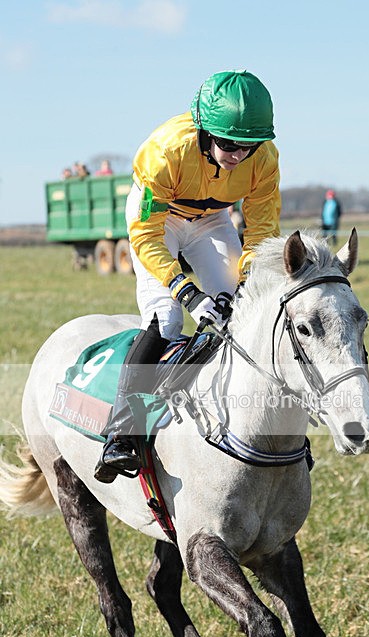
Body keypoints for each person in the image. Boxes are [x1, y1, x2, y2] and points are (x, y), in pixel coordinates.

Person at [94, 69, 281, 482]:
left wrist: (247, 279)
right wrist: (183, 287)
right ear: (204, 128)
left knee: (240, 312)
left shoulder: (264, 158)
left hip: (212, 219)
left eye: (249, 146)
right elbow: (145, 235)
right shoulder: (164, 151)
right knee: (167, 317)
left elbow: (263, 229)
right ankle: (121, 432)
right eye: (228, 143)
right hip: (158, 223)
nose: (237, 155)